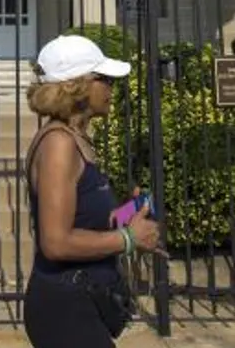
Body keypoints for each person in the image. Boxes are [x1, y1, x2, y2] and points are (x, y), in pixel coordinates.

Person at [22, 34, 160, 348]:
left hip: (83, 301)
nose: (112, 88)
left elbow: (90, 220)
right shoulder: (59, 144)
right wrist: (129, 239)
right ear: (79, 85)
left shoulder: (79, 140)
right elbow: (56, 242)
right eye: (105, 79)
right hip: (64, 308)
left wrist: (131, 211)